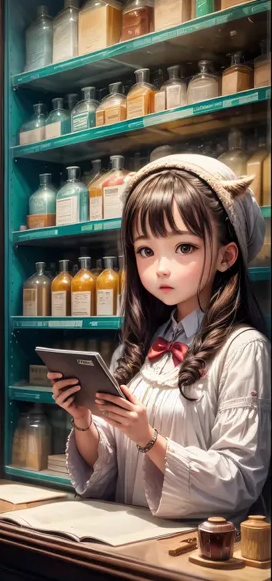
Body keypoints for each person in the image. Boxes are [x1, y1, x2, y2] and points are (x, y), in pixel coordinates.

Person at [48, 154, 270, 523]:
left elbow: (240, 479)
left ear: (226, 256)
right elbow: (107, 471)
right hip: (126, 543)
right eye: (146, 251)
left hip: (196, 554)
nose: (161, 268)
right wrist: (83, 419)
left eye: (184, 248)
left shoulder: (244, 349)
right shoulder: (135, 348)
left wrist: (148, 438)